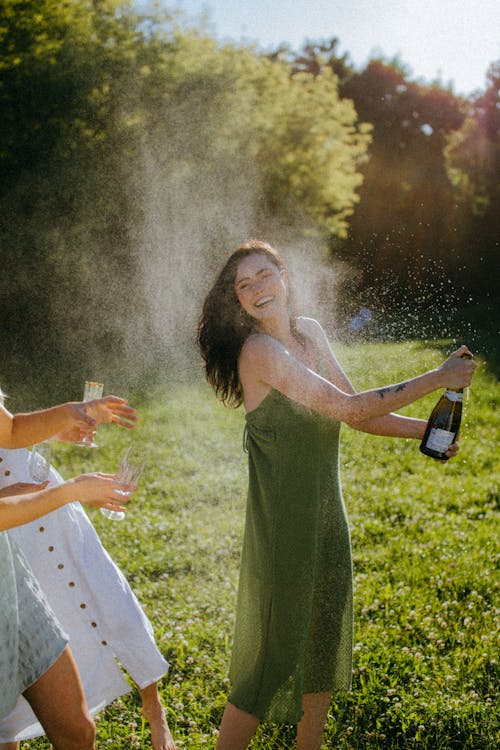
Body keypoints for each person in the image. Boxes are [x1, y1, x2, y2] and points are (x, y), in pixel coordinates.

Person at [197, 240, 476, 750]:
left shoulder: (310, 333)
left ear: (285, 276)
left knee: (322, 645)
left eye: (265, 275)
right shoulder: (259, 352)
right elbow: (348, 407)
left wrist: (428, 430)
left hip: (329, 517)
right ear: (237, 301)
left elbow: (361, 416)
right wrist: (438, 376)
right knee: (272, 659)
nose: (259, 289)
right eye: (245, 285)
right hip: (284, 523)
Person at [0, 389, 177, 750]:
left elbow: (12, 430)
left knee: (78, 731)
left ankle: (154, 709)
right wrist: (72, 490)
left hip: (13, 556)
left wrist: (70, 415)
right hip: (14, 530)